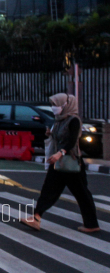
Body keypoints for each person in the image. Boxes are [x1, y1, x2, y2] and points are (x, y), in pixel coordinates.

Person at [21, 93, 99, 233]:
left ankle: (92, 224)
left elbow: (72, 141)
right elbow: (60, 137)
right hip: (58, 163)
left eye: (57, 105)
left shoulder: (74, 120)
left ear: (66, 105)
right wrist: (50, 134)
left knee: (82, 194)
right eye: (53, 105)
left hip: (71, 162)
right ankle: (36, 217)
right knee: (48, 190)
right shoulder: (59, 120)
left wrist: (60, 153)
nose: (54, 108)